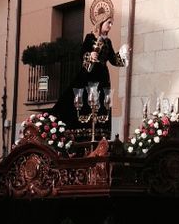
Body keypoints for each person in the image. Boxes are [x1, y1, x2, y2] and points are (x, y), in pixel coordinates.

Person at [51, 11, 127, 139]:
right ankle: (82, 136)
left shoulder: (108, 42)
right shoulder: (89, 38)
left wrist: (124, 53)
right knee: (84, 103)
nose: (110, 26)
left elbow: (114, 60)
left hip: (102, 78)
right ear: (101, 23)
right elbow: (82, 54)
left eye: (111, 23)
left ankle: (100, 137)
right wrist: (90, 55)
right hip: (89, 76)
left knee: (102, 106)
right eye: (109, 23)